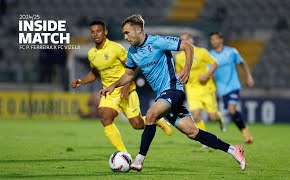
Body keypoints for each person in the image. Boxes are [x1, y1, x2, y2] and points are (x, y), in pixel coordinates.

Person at [100, 14, 246, 171]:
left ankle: (139, 160)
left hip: (173, 88)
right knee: (192, 132)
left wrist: (187, 68)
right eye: (124, 33)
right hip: (162, 95)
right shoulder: (133, 52)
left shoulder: (157, 41)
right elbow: (128, 74)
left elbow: (187, 46)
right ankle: (233, 150)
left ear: (138, 29)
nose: (125, 36)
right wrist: (112, 86)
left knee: (151, 115)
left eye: (127, 32)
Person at [71, 20, 172, 152]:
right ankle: (123, 153)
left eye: (98, 31)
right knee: (105, 117)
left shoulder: (116, 48)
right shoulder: (92, 54)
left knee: (137, 124)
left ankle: (157, 120)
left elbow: (133, 66)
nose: (95, 34)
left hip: (127, 89)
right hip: (109, 91)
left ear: (105, 32)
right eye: (93, 32)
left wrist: (126, 85)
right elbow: (95, 73)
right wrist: (81, 81)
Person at [175, 33, 226, 137]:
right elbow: (180, 72)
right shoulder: (179, 57)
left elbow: (215, 64)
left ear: (191, 40)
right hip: (192, 89)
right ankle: (204, 139)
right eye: (182, 40)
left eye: (186, 40)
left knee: (213, 116)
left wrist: (207, 75)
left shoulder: (201, 52)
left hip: (206, 88)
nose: (184, 43)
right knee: (196, 115)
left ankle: (220, 119)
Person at [209, 32, 254, 144]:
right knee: (231, 113)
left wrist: (249, 76)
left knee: (231, 109)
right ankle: (244, 128)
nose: (213, 41)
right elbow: (210, 73)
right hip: (222, 89)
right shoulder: (210, 55)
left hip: (234, 85)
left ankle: (246, 134)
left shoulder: (231, 52)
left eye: (215, 39)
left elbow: (242, 63)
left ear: (221, 40)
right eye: (212, 39)